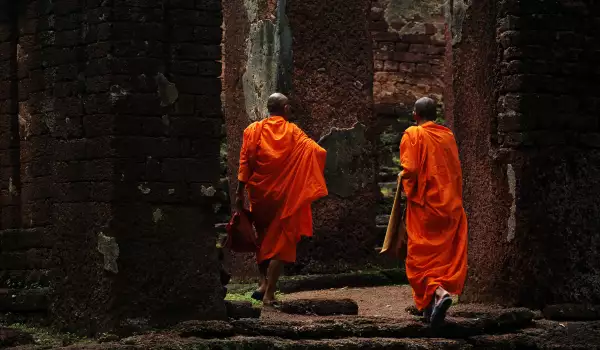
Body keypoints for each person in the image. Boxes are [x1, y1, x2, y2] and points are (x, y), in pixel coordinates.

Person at [236, 93, 328, 305]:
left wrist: (239, 193)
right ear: (285, 108)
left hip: (260, 194)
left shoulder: (252, 130)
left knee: (262, 237)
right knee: (280, 241)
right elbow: (318, 151)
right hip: (284, 196)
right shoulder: (293, 131)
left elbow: (244, 164)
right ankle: (269, 292)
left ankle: (262, 282)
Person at [399, 97, 468, 325]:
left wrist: (402, 179)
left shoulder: (413, 134)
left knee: (418, 258)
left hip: (425, 207)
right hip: (449, 206)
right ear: (435, 115)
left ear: (415, 115)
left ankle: (438, 292)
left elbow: (411, 169)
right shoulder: (447, 136)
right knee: (441, 257)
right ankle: (432, 309)